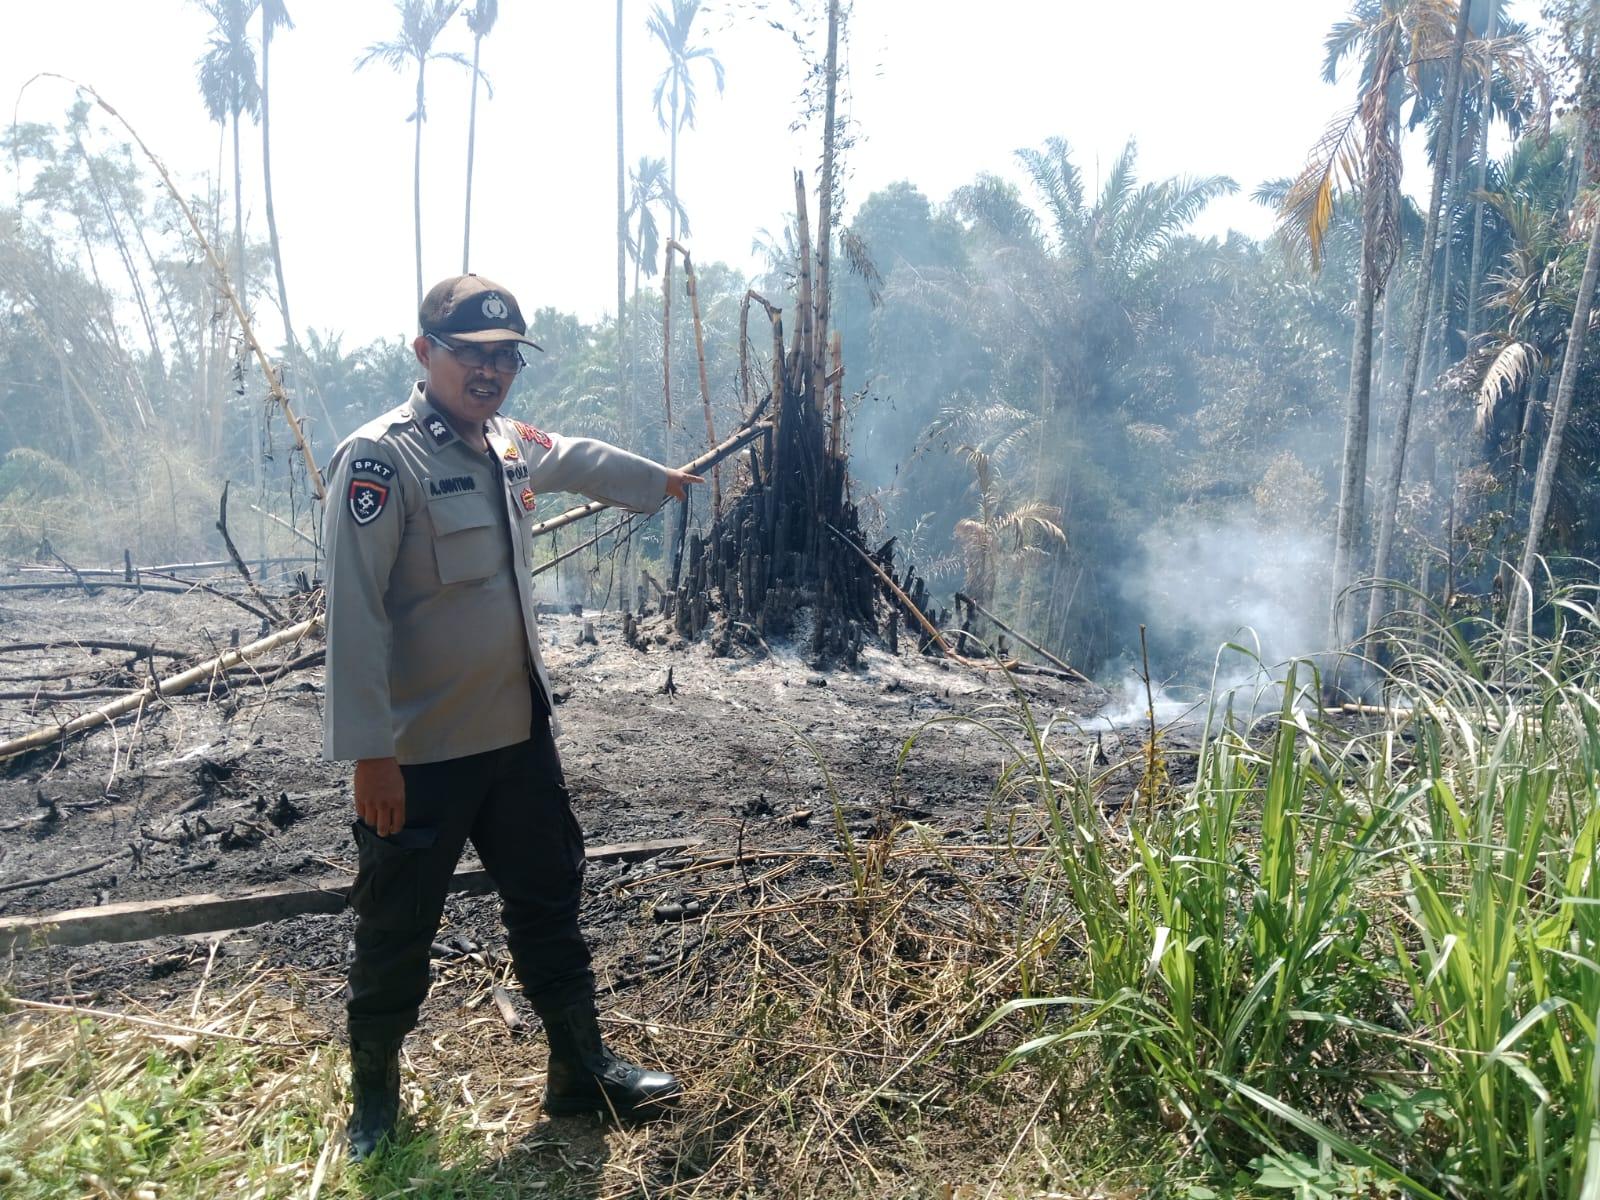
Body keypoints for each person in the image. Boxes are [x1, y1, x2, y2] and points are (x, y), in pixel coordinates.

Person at [321, 274, 701, 1160]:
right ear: (426, 354)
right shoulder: (381, 462)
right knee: (395, 927)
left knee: (549, 903)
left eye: (504, 358)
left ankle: (578, 1071)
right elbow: (354, 615)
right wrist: (368, 756)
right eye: (472, 356)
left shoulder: (505, 442)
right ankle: (373, 1100)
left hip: (515, 738)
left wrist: (660, 481)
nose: (490, 373)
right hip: (419, 754)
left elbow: (572, 453)